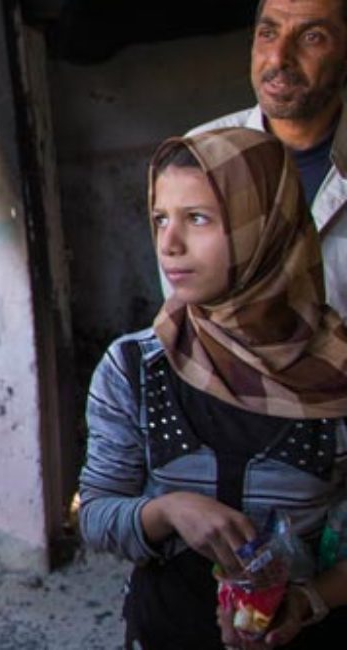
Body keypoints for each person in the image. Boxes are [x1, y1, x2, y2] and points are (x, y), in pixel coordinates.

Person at [79, 128, 347, 649]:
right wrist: (169, 510)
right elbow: (94, 515)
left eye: (197, 218)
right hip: (166, 632)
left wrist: (308, 599)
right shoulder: (135, 366)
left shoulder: (337, 371)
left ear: (265, 225)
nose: (168, 244)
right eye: (160, 218)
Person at [189, 0, 347, 315]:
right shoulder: (199, 157)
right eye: (268, 33)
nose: (278, 56)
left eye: (312, 37)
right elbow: (188, 314)